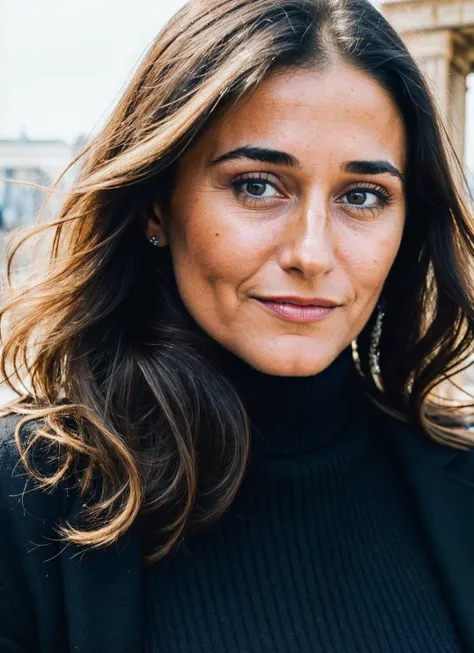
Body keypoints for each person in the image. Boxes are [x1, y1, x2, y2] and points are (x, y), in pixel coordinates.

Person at [1, 0, 474, 651]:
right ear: (156, 207)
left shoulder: (462, 484)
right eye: (257, 185)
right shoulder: (22, 497)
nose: (312, 253)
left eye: (361, 196)